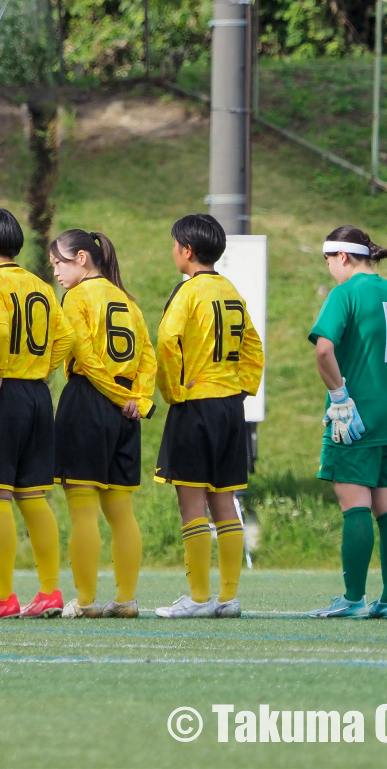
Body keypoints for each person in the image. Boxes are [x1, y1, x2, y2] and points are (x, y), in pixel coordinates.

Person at [0, 208, 74, 619]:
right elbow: (66, 337)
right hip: (37, 398)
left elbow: (1, 332)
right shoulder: (40, 286)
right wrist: (41, 369)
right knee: (33, 496)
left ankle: (3, 596)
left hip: (4, 399)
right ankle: (49, 592)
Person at [307, 226, 387, 619]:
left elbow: (324, 351)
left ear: (342, 256)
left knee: (354, 503)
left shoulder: (345, 294)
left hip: (355, 416)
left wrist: (340, 397)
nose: (328, 270)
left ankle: (354, 598)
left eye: (327, 261)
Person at [152, 214, 263, 619]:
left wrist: (173, 391)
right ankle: (228, 598)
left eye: (174, 245)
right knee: (225, 503)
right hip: (231, 407)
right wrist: (243, 387)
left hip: (195, 404)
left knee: (192, 505)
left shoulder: (188, 292)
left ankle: (198, 598)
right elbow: (253, 346)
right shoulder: (230, 290)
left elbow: (167, 340)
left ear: (187, 250)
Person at [49, 229, 154, 619]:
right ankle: (125, 599)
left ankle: (87, 601)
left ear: (81, 258)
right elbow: (148, 356)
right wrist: (137, 399)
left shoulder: (76, 298)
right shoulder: (128, 301)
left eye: (58, 263)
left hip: (88, 403)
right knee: (121, 510)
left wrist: (116, 396)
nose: (56, 271)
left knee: (82, 509)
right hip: (125, 408)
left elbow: (86, 357)